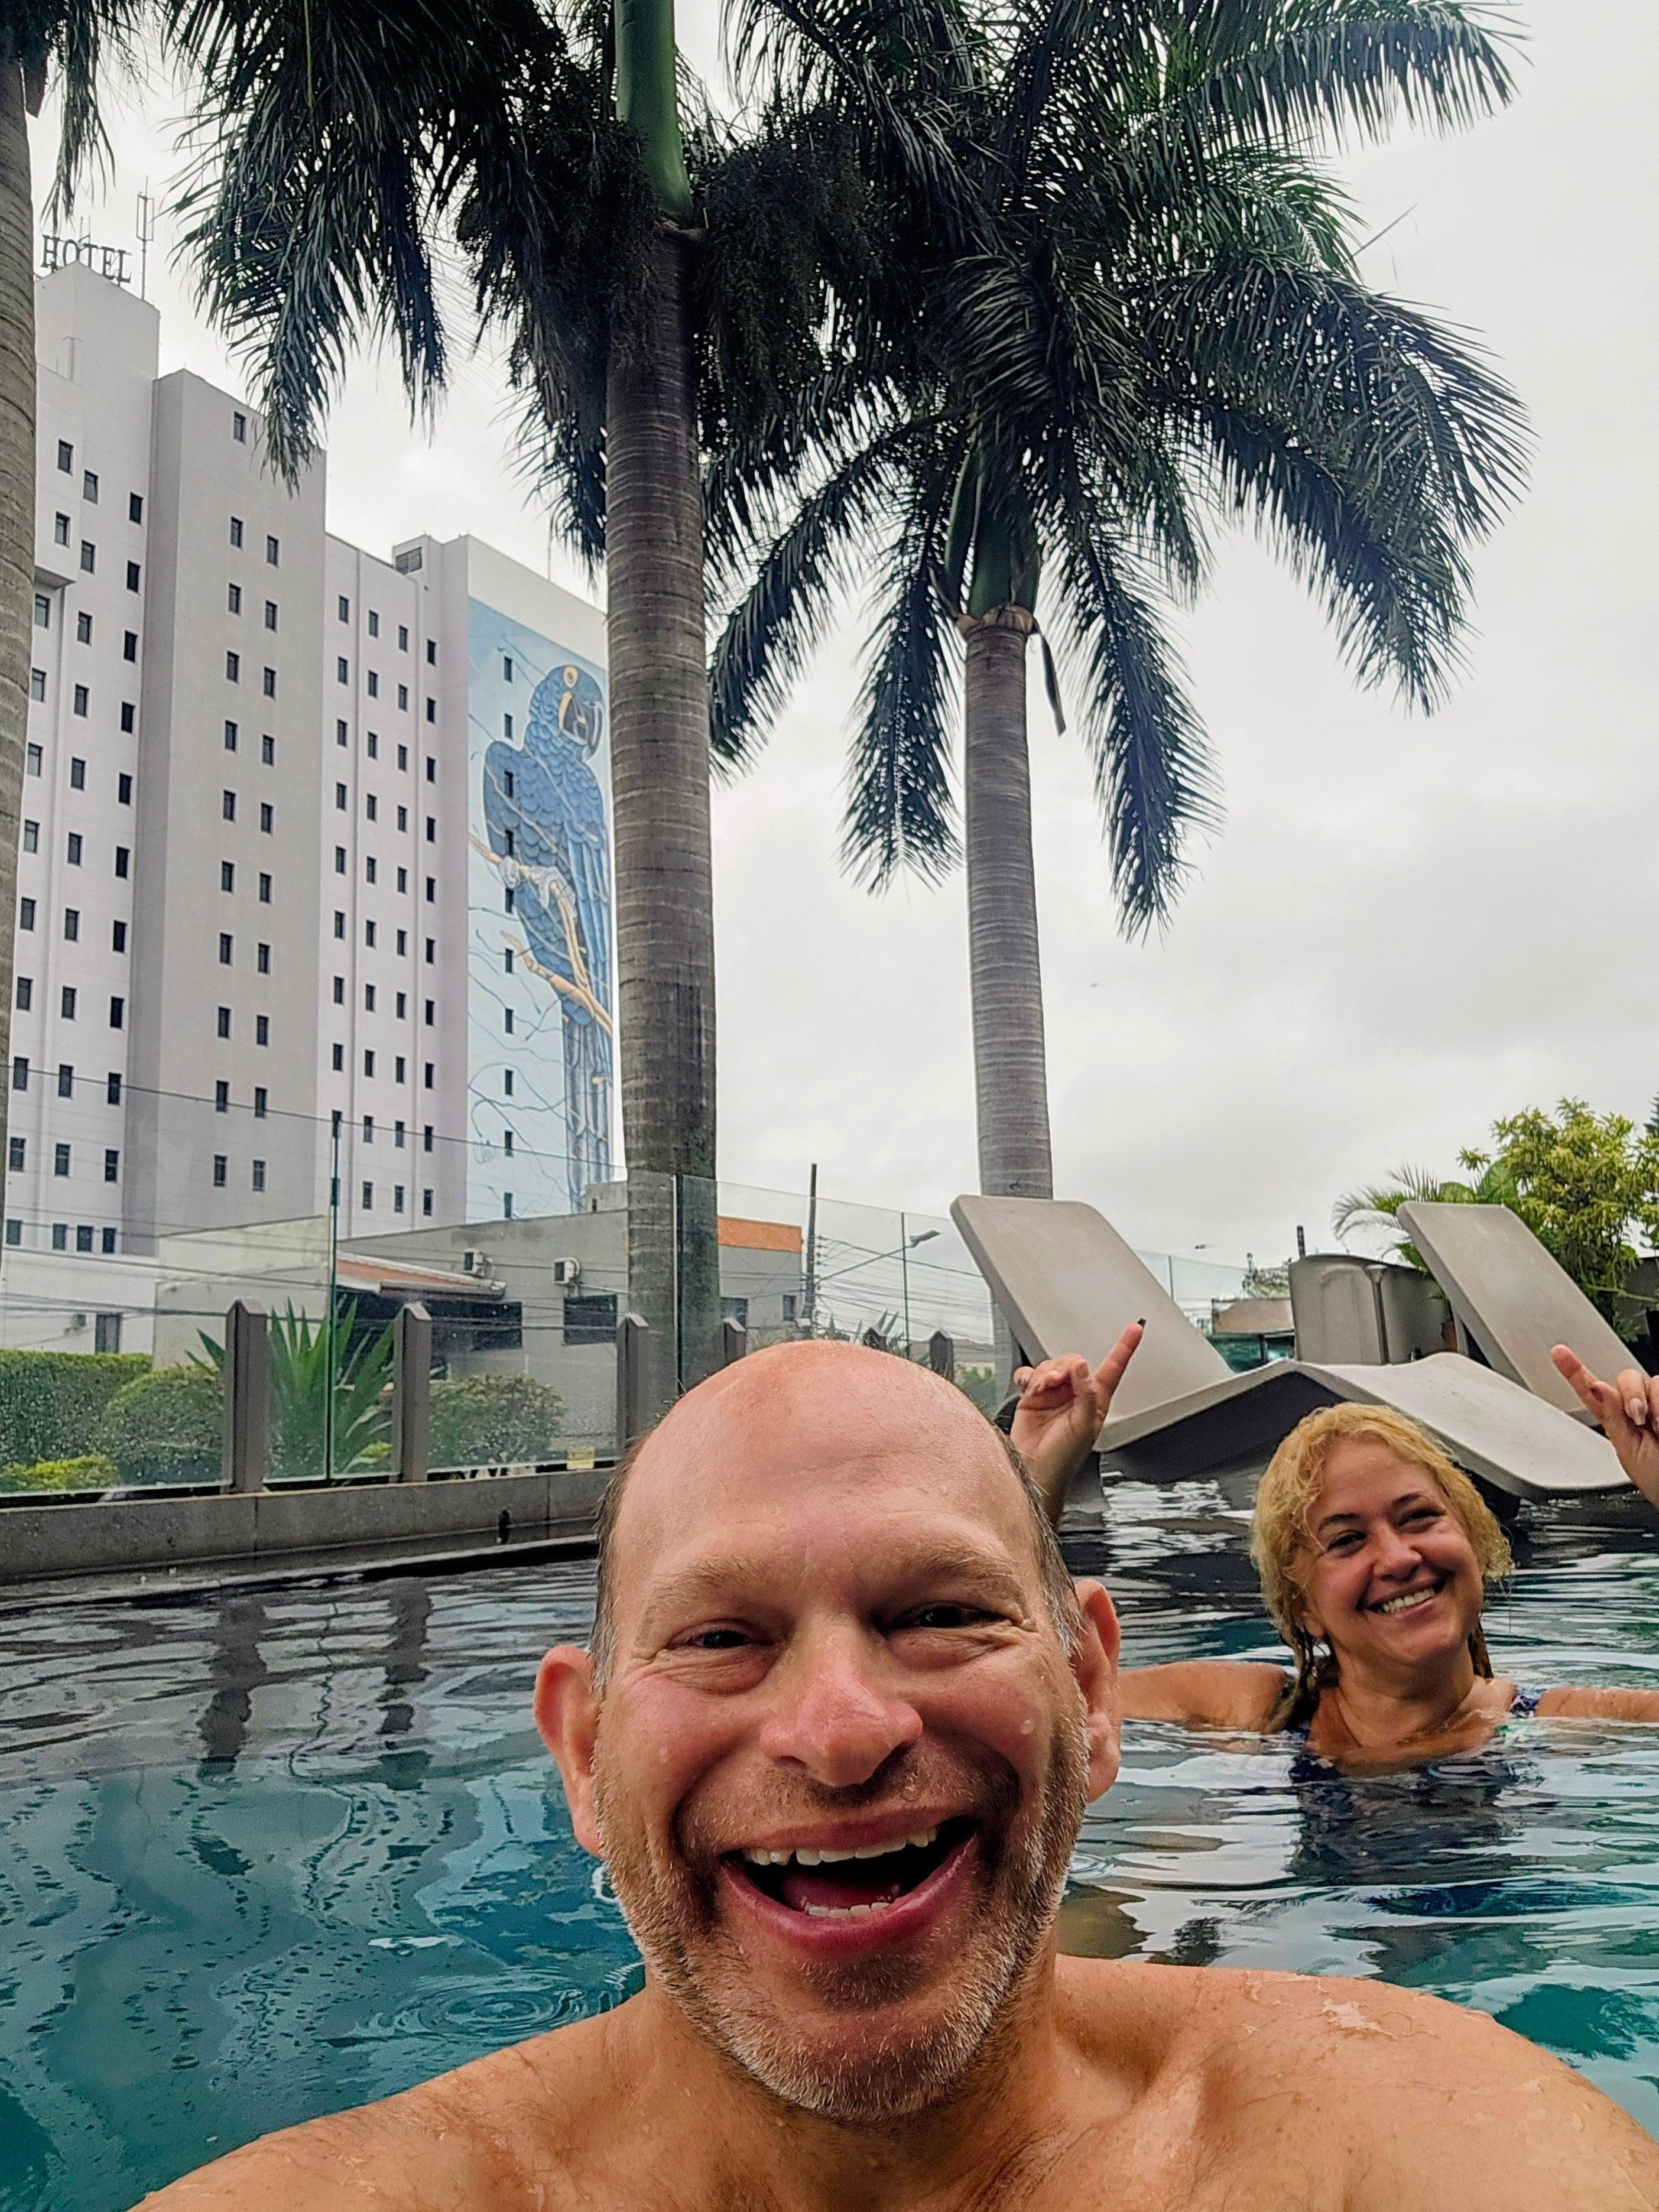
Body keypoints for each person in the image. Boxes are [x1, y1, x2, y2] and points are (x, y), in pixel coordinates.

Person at [138, 1340, 1658, 2208]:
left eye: (939, 1612)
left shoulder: (1407, 2135)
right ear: (583, 1752)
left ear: (1090, 1692)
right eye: (724, 1634)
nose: (845, 1727)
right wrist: (1029, 1481)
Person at [1012, 1329, 1659, 1763]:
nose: (1398, 1557)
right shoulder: (1249, 1712)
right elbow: (1022, 1703)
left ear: (1474, 1539)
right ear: (1302, 1606)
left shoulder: (1552, 1723)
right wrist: (1034, 1486)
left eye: (1418, 1517)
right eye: (1346, 1539)